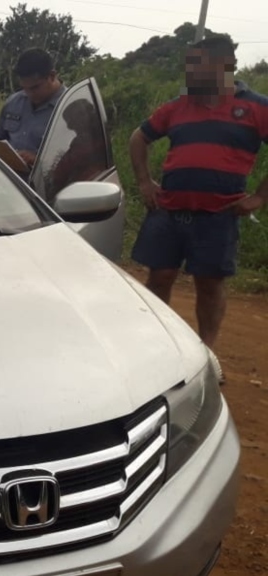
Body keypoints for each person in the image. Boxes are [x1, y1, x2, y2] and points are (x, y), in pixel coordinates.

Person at [129, 36, 268, 371]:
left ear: (223, 65)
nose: (189, 71)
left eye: (197, 64)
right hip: (169, 211)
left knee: (209, 284)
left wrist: (260, 197)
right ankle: (159, 347)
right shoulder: (178, 106)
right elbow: (139, 137)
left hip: (219, 216)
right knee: (159, 278)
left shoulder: (256, 107)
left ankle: (206, 353)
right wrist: (145, 182)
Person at [0, 48, 67, 170]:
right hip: (8, 179)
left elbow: (78, 161)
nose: (29, 94)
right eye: (25, 88)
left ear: (52, 76)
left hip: (46, 184)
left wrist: (38, 160)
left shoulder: (70, 107)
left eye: (35, 87)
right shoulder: (13, 102)